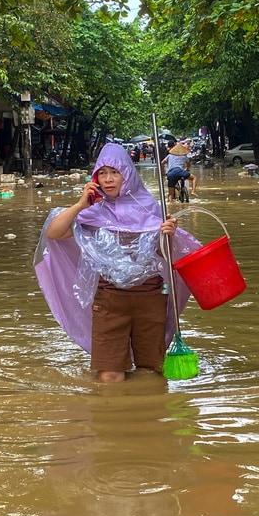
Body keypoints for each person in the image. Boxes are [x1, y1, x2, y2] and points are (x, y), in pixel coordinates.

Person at [36, 144, 199, 383]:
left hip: (151, 298)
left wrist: (167, 235)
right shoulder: (93, 213)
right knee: (109, 375)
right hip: (109, 300)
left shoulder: (152, 208)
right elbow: (54, 233)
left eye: (115, 172)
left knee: (150, 373)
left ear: (128, 174)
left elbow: (163, 257)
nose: (108, 179)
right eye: (102, 173)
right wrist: (81, 204)